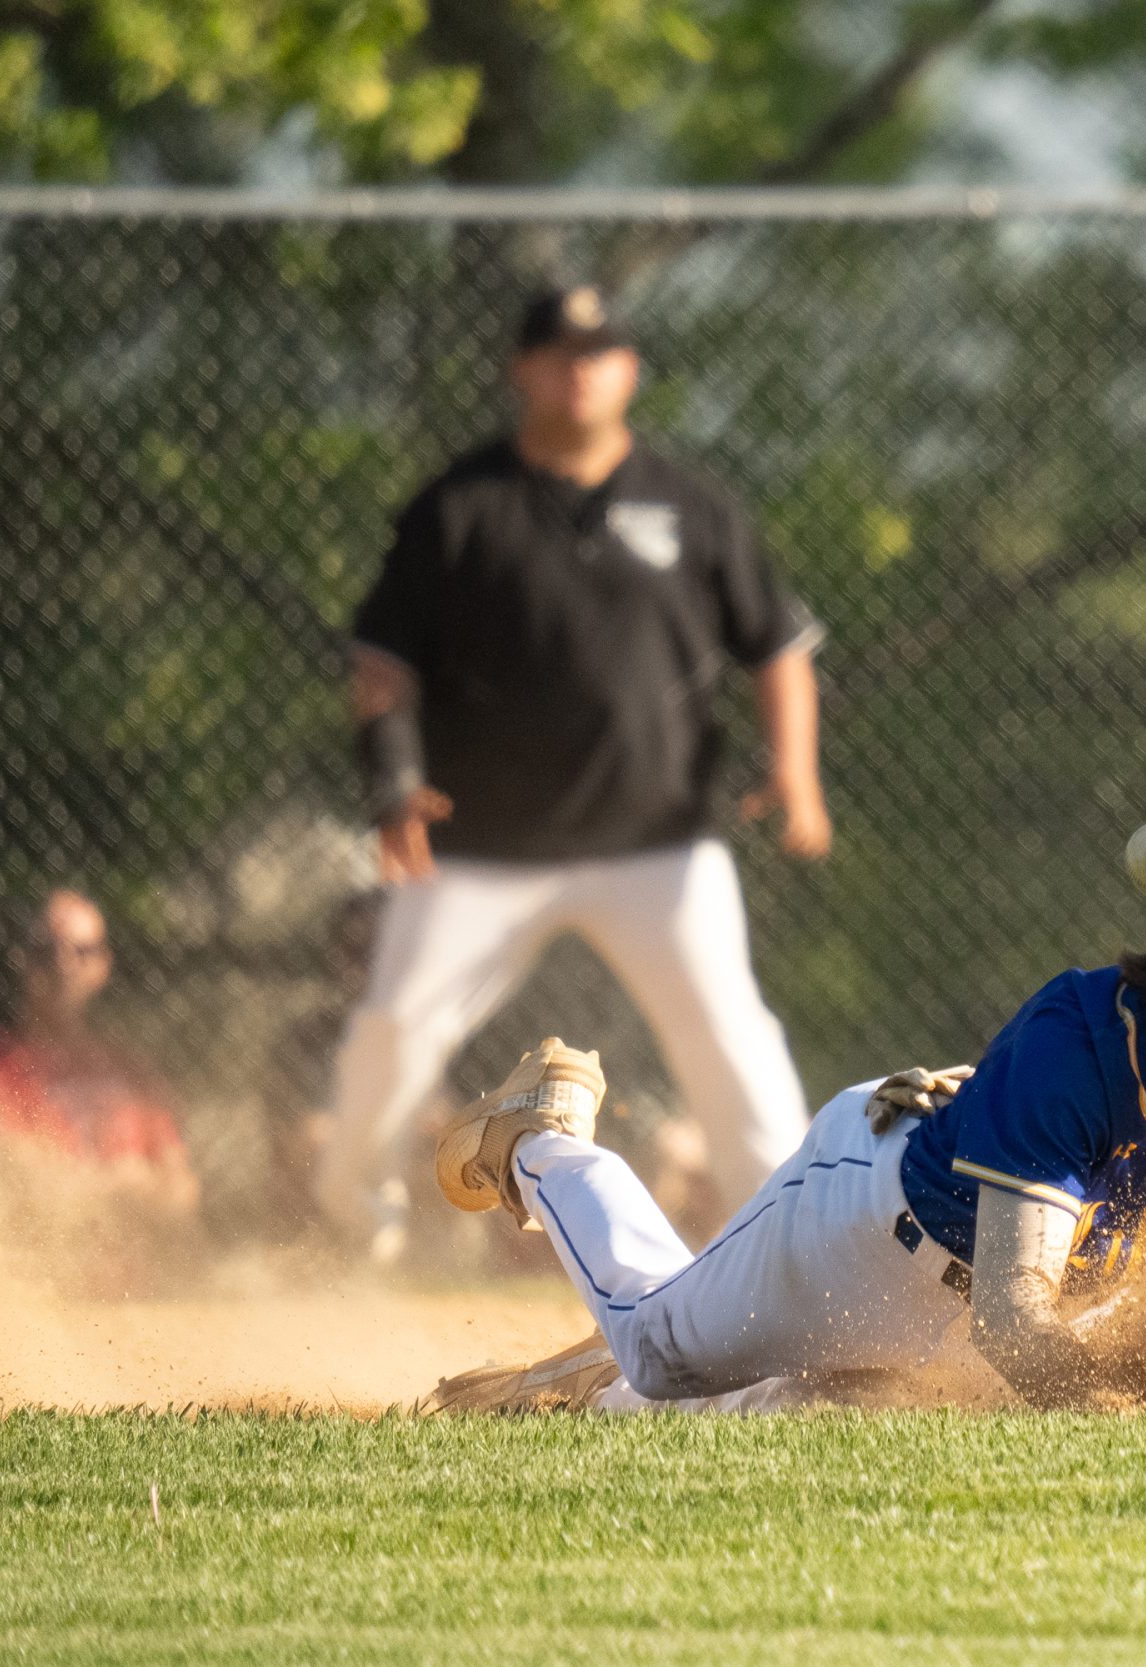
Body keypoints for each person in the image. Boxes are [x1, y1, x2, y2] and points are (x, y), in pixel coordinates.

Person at [426, 830, 1146, 1413]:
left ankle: (553, 1389)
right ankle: (544, 1134)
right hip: (870, 1228)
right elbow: (1014, 1320)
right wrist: (1137, 1403)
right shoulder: (1077, 1050)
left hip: (988, 1307)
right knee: (663, 1355)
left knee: (771, 1422)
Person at [320, 284, 831, 1263]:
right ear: (521, 370)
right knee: (391, 1026)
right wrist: (391, 777)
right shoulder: (460, 506)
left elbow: (777, 645)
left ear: (630, 369)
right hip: (482, 846)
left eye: (600, 350)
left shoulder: (692, 503)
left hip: (658, 844)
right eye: (558, 351)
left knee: (731, 1036)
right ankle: (351, 1225)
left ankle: (794, 1240)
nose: (581, 367)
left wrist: (796, 775)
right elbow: (384, 660)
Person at [0, 890, 202, 1275]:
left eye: (83, 951)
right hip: (44, 1292)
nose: (63, 964)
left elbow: (182, 1193)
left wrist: (109, 1189)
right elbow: (19, 1189)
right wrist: (127, 1185)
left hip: (141, 1292)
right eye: (46, 950)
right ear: (21, 960)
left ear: (103, 965)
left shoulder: (131, 1070)